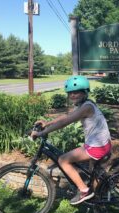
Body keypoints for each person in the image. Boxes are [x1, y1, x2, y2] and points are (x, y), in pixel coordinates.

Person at [31, 75, 112, 205]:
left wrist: (42, 133)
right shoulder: (84, 104)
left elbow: (65, 122)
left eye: (76, 92)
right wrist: (47, 122)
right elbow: (66, 116)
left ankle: (84, 191)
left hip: (97, 146)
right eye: (70, 93)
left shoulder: (86, 107)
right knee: (94, 174)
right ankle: (99, 201)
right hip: (101, 143)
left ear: (84, 92)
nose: (73, 95)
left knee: (63, 159)